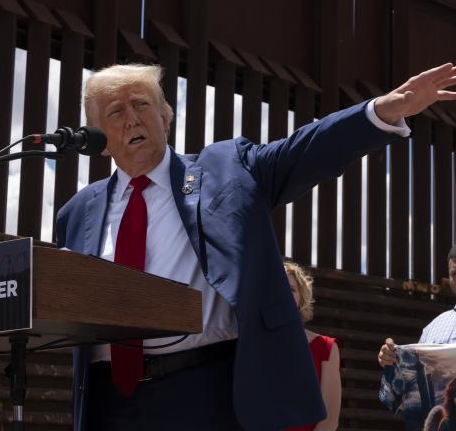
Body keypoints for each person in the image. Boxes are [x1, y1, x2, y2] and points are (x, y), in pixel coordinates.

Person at [55, 62, 456, 431]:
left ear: (165, 116)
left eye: (141, 104)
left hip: (202, 389)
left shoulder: (226, 169)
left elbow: (306, 149)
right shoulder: (77, 213)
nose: (132, 119)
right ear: (99, 139)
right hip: (108, 402)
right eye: (115, 112)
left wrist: (381, 112)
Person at [284, 261, 341, 431]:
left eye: (292, 289)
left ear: (301, 298)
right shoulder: (249, 344)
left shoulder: (325, 348)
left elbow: (329, 420)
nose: (284, 293)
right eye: (278, 286)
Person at [378, 246, 456, 369]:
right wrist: (392, 359)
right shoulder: (432, 329)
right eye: (455, 273)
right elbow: (414, 378)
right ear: (449, 277)